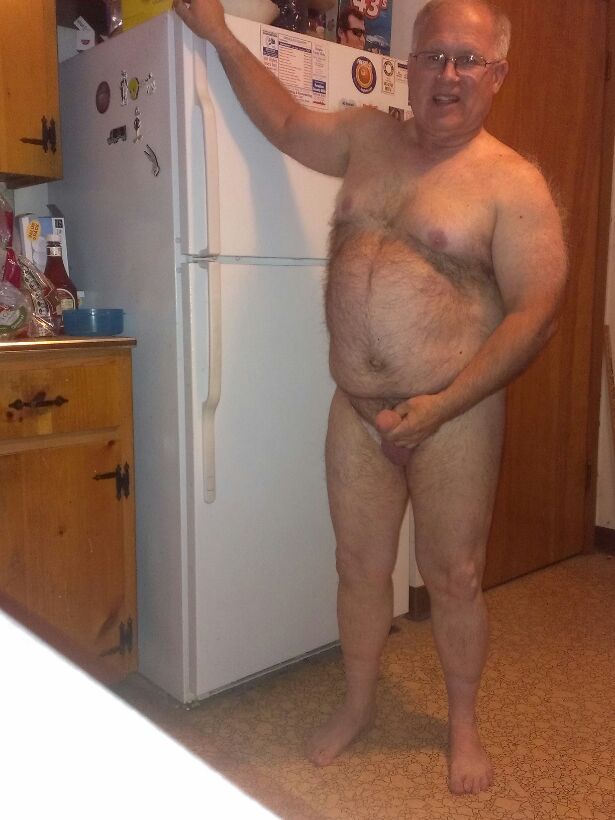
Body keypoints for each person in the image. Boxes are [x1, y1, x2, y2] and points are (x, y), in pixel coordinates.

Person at [172, 0, 567, 795]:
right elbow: (285, 123)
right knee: (357, 567)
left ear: (495, 74)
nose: (447, 75)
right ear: (408, 65)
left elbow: (535, 314)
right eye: (432, 57)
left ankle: (461, 724)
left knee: (453, 575)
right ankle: (357, 705)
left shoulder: (510, 183)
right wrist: (217, 33)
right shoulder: (364, 136)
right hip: (353, 412)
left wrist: (442, 404)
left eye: (466, 60)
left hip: (453, 416)